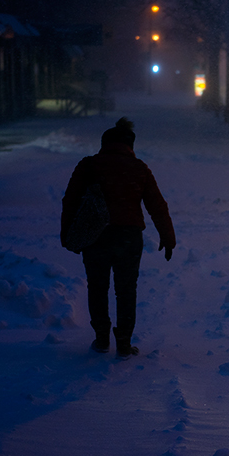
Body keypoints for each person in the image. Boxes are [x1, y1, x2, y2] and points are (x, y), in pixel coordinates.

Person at [61, 117, 175, 360]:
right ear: (130, 145)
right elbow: (157, 205)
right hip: (128, 236)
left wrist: (67, 232)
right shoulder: (139, 168)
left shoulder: (89, 166)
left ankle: (102, 338)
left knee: (97, 287)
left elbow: (70, 200)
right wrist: (167, 236)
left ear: (104, 143)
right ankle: (124, 342)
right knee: (126, 290)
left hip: (95, 236)